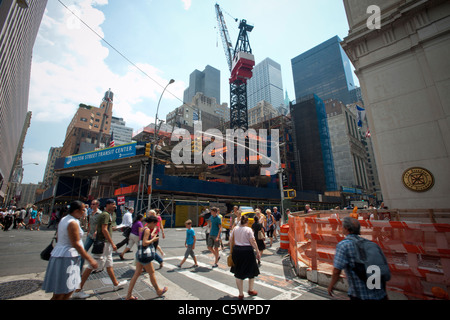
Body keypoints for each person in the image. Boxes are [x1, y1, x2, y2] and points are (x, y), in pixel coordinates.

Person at [41, 200, 98, 300]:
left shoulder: (65, 219)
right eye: (83, 209)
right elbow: (76, 244)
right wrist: (90, 259)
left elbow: (58, 238)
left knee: (67, 289)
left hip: (64, 255)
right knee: (63, 291)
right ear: (76, 210)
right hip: (66, 258)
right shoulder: (72, 223)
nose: (85, 211)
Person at [73, 199, 127, 299]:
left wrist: (116, 228)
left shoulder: (107, 214)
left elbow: (107, 228)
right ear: (107, 205)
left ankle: (115, 283)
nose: (115, 206)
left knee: (109, 263)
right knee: (91, 266)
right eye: (113, 204)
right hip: (103, 243)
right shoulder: (105, 214)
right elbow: (104, 229)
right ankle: (77, 290)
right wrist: (112, 243)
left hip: (105, 243)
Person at [327, 217, 388, 300]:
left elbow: (337, 270)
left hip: (361, 295)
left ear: (346, 228)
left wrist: (331, 286)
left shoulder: (344, 245)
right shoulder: (371, 244)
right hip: (380, 295)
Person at [126, 215, 168, 300]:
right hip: (145, 255)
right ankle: (158, 291)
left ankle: (128, 295)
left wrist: (153, 234)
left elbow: (145, 238)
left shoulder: (144, 228)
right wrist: (153, 240)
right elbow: (145, 242)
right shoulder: (147, 230)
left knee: (136, 274)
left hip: (140, 253)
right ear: (152, 222)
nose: (155, 225)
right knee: (151, 273)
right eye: (155, 224)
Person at [230, 215, 261, 300]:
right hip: (247, 251)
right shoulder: (248, 229)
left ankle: (240, 294)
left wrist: (231, 251)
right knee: (251, 270)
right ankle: (250, 290)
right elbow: (253, 241)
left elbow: (230, 240)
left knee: (238, 272)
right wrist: (257, 251)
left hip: (237, 251)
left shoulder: (235, 229)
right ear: (247, 222)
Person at [80, 199, 101, 271]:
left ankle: (98, 267)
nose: (92, 205)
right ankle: (80, 270)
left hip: (96, 236)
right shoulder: (90, 213)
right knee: (83, 251)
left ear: (97, 205)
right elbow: (90, 223)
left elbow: (99, 224)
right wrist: (88, 232)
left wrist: (96, 231)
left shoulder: (99, 214)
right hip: (90, 235)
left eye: (93, 204)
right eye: (91, 204)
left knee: (98, 253)